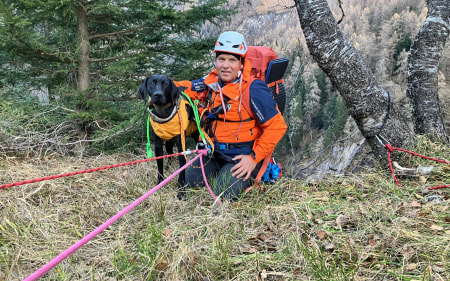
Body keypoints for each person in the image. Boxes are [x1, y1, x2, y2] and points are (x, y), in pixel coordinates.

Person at [175, 31, 287, 201]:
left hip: (243, 156)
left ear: (241, 63)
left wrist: (253, 158)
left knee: (222, 193)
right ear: (216, 61)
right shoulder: (210, 83)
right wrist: (160, 89)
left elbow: (277, 126)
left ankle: (245, 177)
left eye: (232, 60)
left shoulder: (254, 89)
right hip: (214, 153)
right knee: (188, 184)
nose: (225, 65)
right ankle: (219, 171)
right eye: (221, 59)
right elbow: (186, 88)